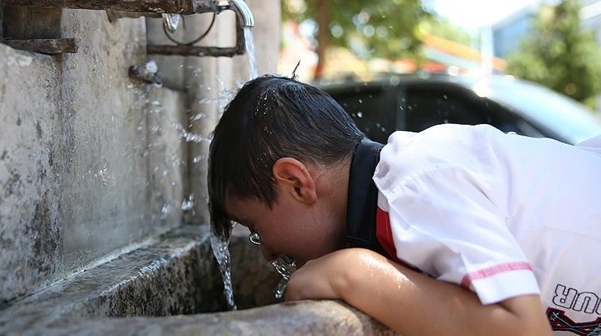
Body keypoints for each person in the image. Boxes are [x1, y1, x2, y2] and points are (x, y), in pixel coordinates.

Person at [207, 74, 601, 335]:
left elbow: (522, 330)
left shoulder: (415, 178)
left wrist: (354, 273)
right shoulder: (401, 201)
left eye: (256, 230)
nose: (267, 253)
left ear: (295, 182)